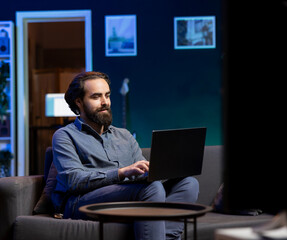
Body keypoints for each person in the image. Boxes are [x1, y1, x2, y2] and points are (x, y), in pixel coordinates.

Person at [51, 71, 199, 240]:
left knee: (188, 183)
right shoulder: (65, 135)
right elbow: (73, 180)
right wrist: (122, 172)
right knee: (152, 189)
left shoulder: (124, 135)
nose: (105, 102)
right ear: (79, 102)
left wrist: (158, 169)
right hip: (82, 201)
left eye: (107, 95)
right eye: (96, 97)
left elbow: (141, 169)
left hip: (127, 196)